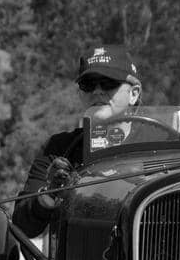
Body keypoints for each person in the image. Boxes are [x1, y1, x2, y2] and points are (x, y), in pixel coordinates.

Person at [11, 44, 143, 237]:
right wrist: (49, 194)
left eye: (108, 83)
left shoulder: (165, 144)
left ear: (134, 93)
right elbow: (22, 227)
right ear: (80, 93)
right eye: (88, 84)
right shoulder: (58, 148)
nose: (97, 91)